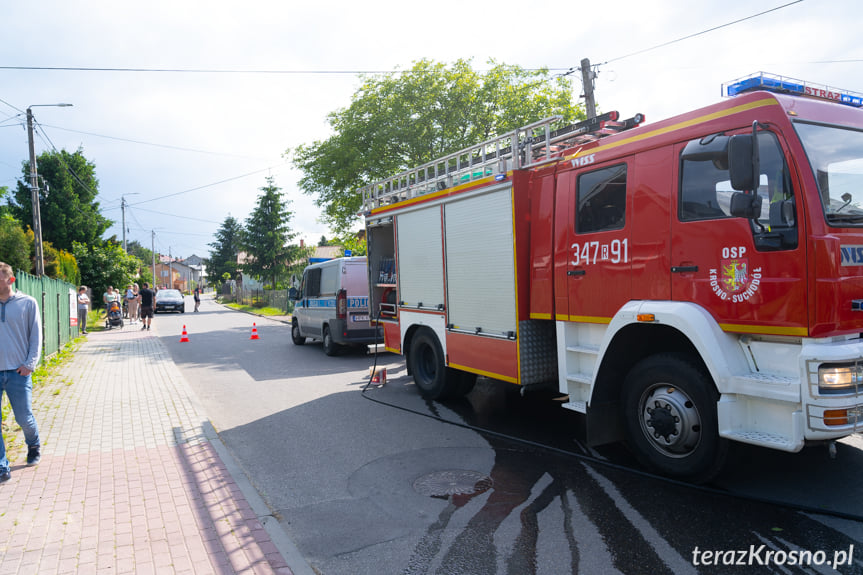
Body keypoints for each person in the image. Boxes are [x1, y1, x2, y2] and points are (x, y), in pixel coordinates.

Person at [0, 261, 42, 483]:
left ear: (10, 280)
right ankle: (1, 466)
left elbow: (36, 336)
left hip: (19, 371)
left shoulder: (28, 303)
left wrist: (30, 364)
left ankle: (33, 445)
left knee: (24, 418)